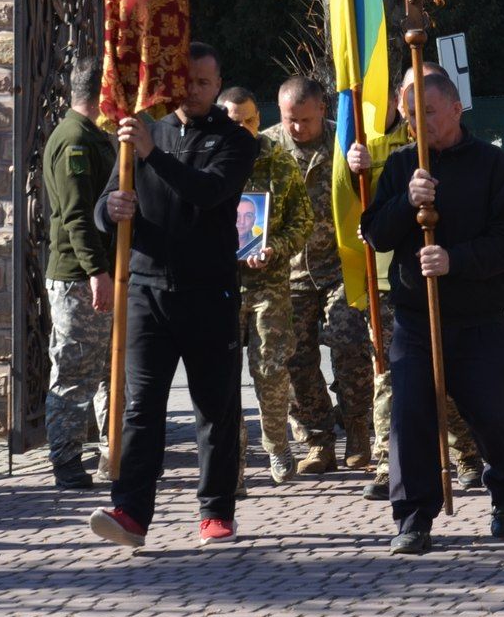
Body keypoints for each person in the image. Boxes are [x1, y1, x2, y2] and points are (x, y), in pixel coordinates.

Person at [88, 42, 257, 550]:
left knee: (214, 406)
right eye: (186, 82)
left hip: (209, 292)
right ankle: (131, 512)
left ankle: (215, 511)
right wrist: (109, 209)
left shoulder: (235, 141)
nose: (195, 91)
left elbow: (206, 192)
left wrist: (151, 155)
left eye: (205, 83)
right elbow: (102, 204)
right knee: (141, 407)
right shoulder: (144, 130)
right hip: (145, 291)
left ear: (218, 84)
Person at [362, 72, 504, 555]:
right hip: (417, 319)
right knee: (410, 415)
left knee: (490, 414)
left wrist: (456, 260)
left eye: (428, 113)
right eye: (410, 115)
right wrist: (405, 202)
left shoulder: (494, 165)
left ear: (457, 110)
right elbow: (375, 233)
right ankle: (413, 518)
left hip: (478, 319)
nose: (417, 124)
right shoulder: (401, 168)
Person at [345, 65, 485, 498]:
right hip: (399, 289)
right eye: (408, 105)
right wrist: (356, 170)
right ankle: (397, 471)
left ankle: (468, 454)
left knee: (457, 385)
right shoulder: (384, 144)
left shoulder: (477, 157)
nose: (415, 119)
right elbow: (375, 221)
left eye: (424, 107)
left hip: (463, 297)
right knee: (399, 385)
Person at [276, 77, 379, 478]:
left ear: (322, 108)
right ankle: (319, 440)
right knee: (296, 359)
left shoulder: (346, 144)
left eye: (305, 118)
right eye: (290, 120)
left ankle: (357, 431)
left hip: (341, 266)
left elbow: (370, 191)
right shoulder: (268, 148)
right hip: (291, 271)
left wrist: (363, 168)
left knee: (350, 347)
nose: (297, 127)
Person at [220, 87, 311, 486]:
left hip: (268, 285)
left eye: (250, 121)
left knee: (270, 370)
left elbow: (302, 221)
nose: (243, 128)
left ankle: (276, 445)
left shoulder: (278, 161)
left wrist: (277, 248)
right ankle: (231, 461)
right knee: (222, 375)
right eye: (234, 121)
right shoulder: (209, 160)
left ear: (260, 120)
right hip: (220, 284)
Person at [42, 53, 117, 489]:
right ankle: (66, 460)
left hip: (94, 273)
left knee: (108, 371)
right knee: (74, 372)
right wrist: (97, 272)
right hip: (78, 278)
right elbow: (77, 216)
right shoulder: (75, 139)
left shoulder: (92, 135)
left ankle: (115, 454)